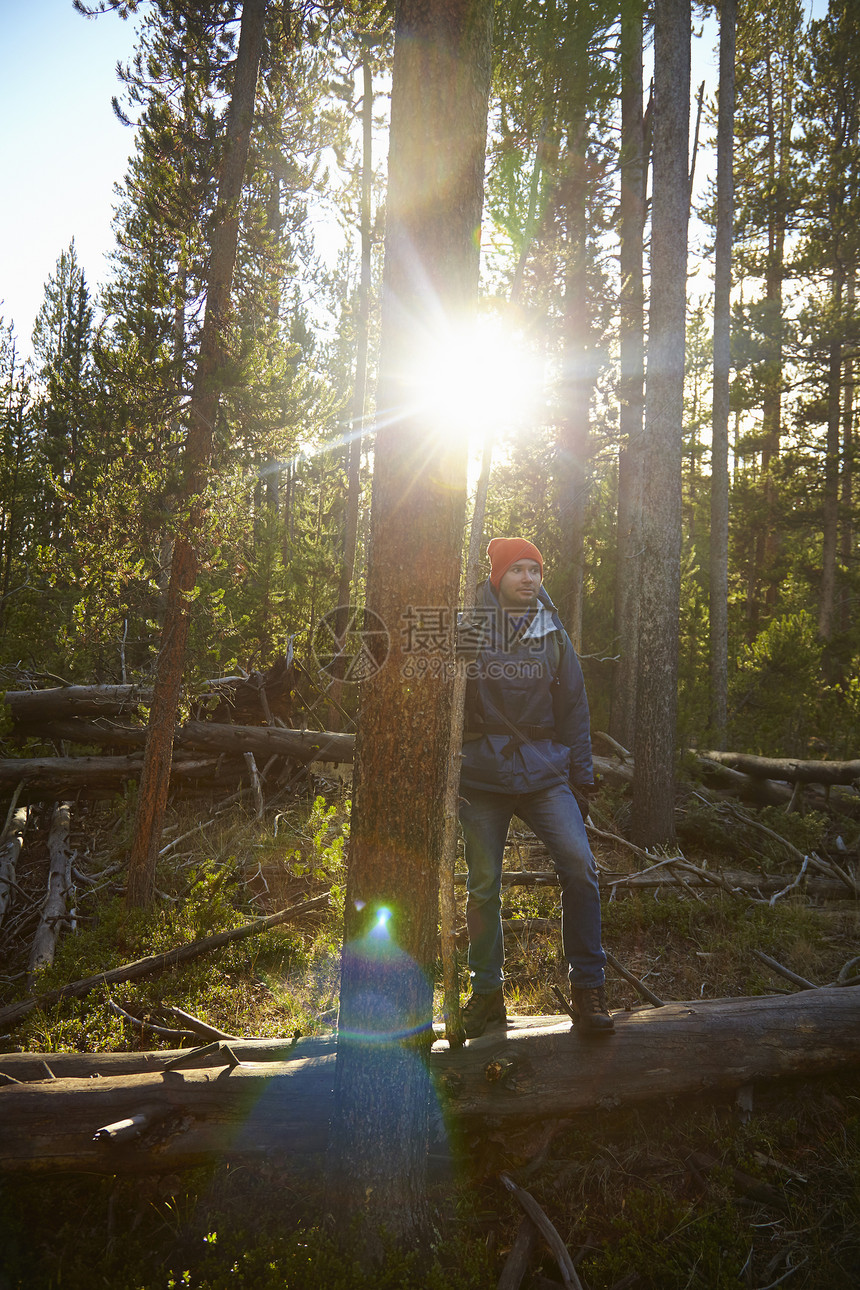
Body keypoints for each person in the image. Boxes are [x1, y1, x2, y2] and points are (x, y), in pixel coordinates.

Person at [457, 536, 613, 1038]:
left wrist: (582, 778)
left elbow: (574, 706)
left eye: (536, 570)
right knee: (483, 886)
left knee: (580, 867)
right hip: (482, 776)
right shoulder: (469, 625)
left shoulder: (553, 632)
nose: (529, 578)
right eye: (519, 569)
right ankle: (487, 996)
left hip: (545, 773)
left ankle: (588, 991)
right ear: (497, 575)